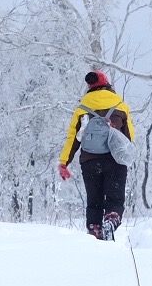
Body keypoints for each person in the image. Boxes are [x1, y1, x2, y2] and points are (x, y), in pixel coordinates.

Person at [57, 70, 135, 240]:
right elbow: (130, 137)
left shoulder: (82, 108)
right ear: (107, 84)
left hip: (89, 161)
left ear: (90, 86)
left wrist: (64, 163)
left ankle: (95, 230)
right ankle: (111, 218)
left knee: (94, 201)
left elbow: (73, 138)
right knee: (115, 200)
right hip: (115, 160)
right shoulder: (120, 105)